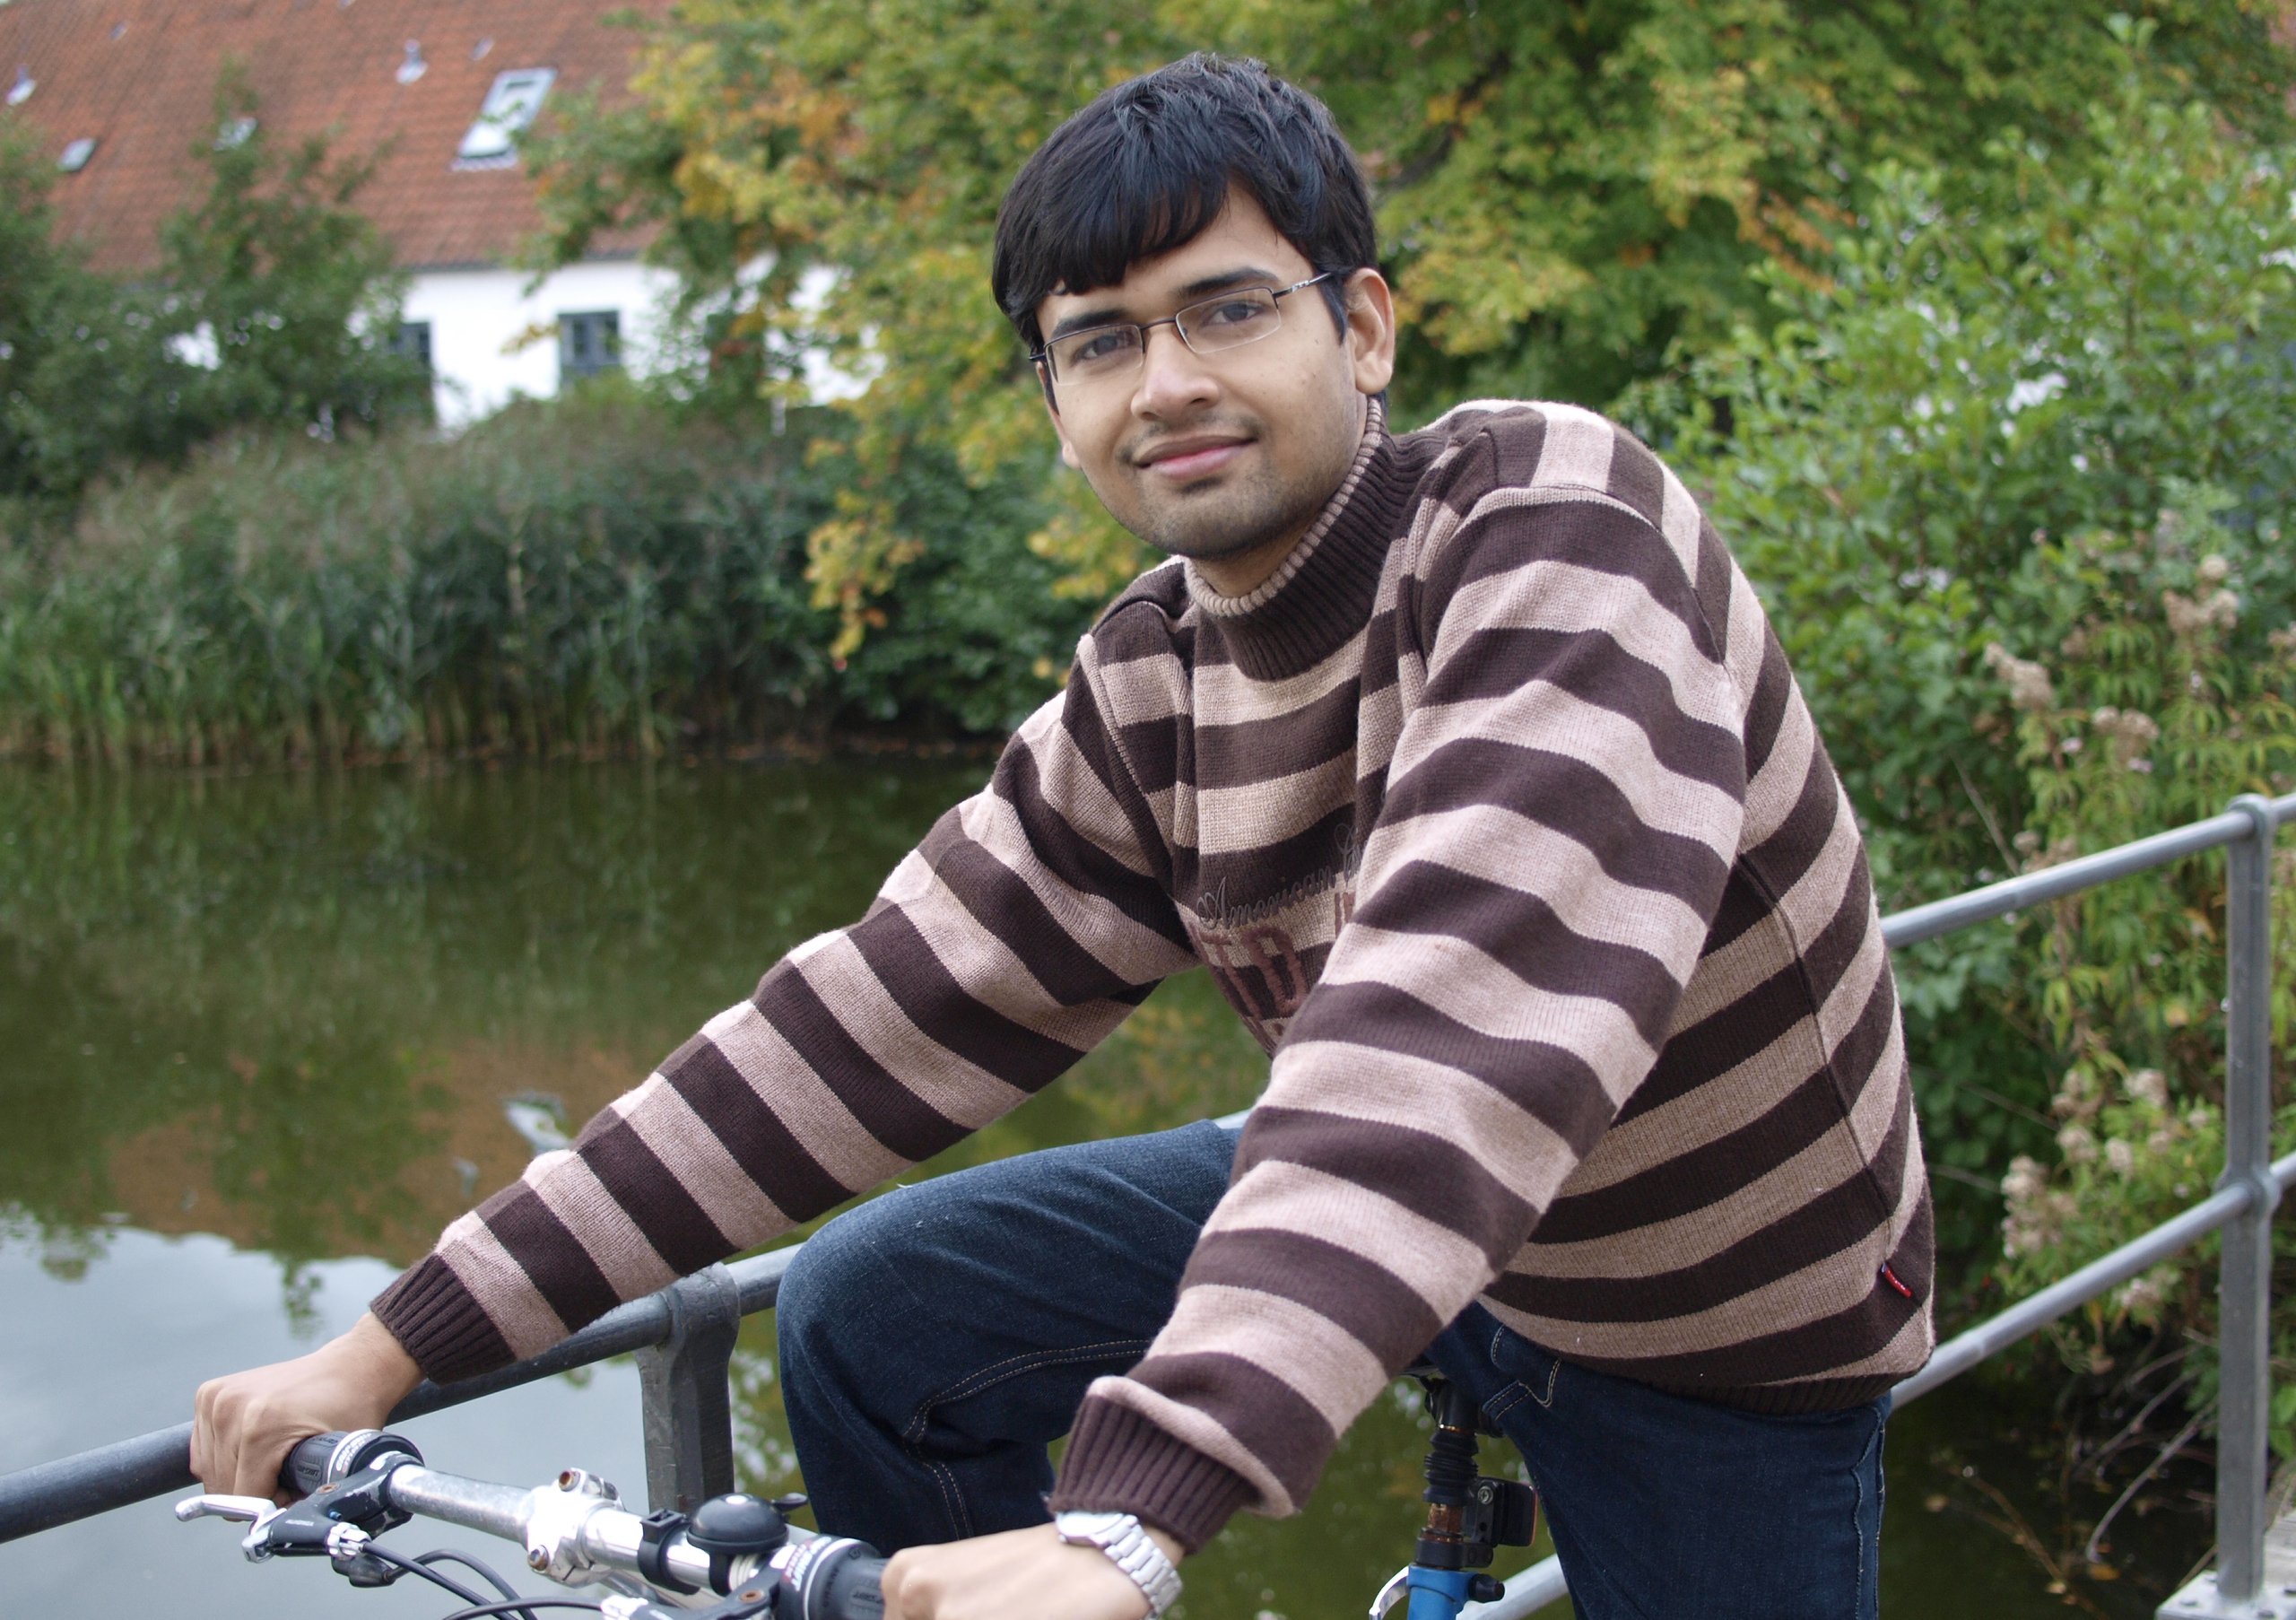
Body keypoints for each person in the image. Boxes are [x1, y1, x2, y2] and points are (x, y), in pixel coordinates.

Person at [193, 53, 1934, 1620]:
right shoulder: (1151, 682)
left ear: (1365, 329)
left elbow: (1455, 1017)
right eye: (1098, 340)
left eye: (1225, 308)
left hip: (1704, 1320)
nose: (1162, 379)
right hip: (1391, 1214)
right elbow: (857, 1027)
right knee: (879, 1313)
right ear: (1052, 402)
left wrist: (1127, 1514)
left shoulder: (1556, 529)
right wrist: (387, 1349)